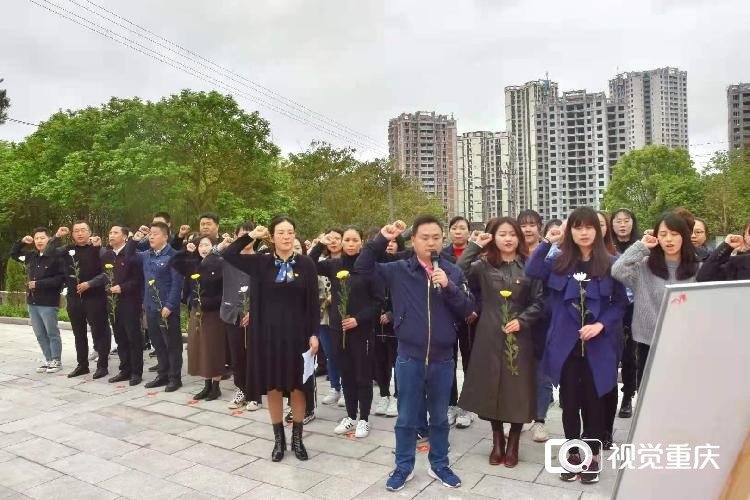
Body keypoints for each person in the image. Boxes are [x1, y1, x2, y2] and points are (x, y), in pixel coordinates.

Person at [355, 217, 474, 491]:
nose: (431, 242)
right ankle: (403, 466)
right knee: (406, 417)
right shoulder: (398, 270)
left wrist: (449, 287)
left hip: (444, 359)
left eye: (435, 237)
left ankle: (440, 464)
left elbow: (468, 308)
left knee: (441, 417)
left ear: (442, 239)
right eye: (424, 237)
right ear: (414, 240)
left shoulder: (452, 271)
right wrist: (381, 239)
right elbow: (362, 268)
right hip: (409, 356)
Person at [526, 207, 627, 484]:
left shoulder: (610, 262)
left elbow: (620, 302)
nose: (583, 232)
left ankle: (592, 458)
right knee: (570, 404)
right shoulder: (559, 261)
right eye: (577, 227)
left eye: (589, 227)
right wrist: (548, 240)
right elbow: (532, 269)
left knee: (594, 404)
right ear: (570, 231)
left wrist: (600, 325)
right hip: (565, 345)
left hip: (599, 345)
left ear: (597, 230)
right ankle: (574, 455)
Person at [222, 216, 319, 462]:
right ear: (272, 237)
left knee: (298, 387)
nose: (286, 237)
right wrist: (251, 236)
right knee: (273, 386)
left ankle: (298, 438)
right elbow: (230, 254)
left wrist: (314, 333)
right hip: (267, 335)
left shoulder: (306, 264)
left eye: (290, 232)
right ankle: (279, 439)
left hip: (298, 335)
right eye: (281, 233)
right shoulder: (261, 262)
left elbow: (313, 303)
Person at [457, 218, 544, 468]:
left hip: (520, 335)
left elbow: (540, 301)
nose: (508, 239)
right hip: (489, 333)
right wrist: (474, 245)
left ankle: (514, 440)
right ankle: (497, 439)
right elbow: (458, 271)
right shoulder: (483, 265)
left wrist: (523, 320)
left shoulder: (530, 266)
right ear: (493, 237)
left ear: (519, 238)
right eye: (502, 234)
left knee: (518, 388)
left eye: (512, 234)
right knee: (491, 386)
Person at [310, 227, 384, 439]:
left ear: (362, 242)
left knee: (362, 376)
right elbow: (310, 265)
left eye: (355, 240)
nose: (350, 244)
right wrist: (321, 243)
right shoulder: (334, 264)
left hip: (361, 331)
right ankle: (350, 416)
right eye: (347, 240)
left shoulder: (370, 268)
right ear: (341, 242)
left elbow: (379, 301)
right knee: (347, 374)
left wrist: (359, 319)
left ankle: (364, 419)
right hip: (337, 329)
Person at [612, 212, 699, 390]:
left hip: (686, 344)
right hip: (649, 343)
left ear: (684, 236)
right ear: (656, 236)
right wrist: (641, 246)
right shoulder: (644, 266)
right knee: (650, 393)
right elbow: (618, 270)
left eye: (675, 234)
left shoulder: (698, 269)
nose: (669, 239)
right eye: (663, 234)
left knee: (683, 391)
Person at [47, 223, 111, 379]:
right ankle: (82, 365)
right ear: (72, 234)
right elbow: (48, 253)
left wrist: (90, 284)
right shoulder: (67, 250)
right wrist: (57, 236)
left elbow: (107, 273)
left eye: (83, 230)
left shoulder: (99, 249)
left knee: (100, 332)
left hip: (95, 297)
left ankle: (102, 366)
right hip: (74, 298)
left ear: (90, 232)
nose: (80, 233)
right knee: (78, 333)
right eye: (76, 231)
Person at [127, 221, 184, 392]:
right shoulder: (146, 255)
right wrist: (134, 240)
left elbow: (177, 284)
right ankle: (163, 374)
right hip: (151, 307)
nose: (151, 236)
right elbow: (130, 257)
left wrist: (170, 305)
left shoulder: (174, 256)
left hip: (167, 308)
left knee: (172, 345)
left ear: (166, 236)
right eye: (150, 234)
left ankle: (175, 378)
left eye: (155, 233)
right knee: (158, 343)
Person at [171, 236, 226, 400]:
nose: (203, 248)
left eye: (207, 245)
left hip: (214, 313)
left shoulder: (220, 263)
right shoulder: (193, 263)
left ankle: (216, 387)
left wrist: (210, 302)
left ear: (214, 247)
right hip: (196, 310)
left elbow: (224, 291)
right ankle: (206, 385)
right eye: (200, 245)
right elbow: (175, 263)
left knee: (213, 349)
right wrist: (184, 250)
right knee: (200, 348)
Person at [9, 228, 66, 374]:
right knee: (40, 334)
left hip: (48, 302)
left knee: (52, 332)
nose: (39, 241)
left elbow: (60, 279)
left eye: (42, 238)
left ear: (49, 239)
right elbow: (13, 254)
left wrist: (39, 284)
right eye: (36, 238)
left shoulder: (56, 256)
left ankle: (56, 360)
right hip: (32, 302)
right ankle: (48, 360)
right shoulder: (31, 256)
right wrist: (21, 242)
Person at [215, 222, 259, 411]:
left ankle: (255, 394)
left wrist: (256, 311)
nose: (246, 238)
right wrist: (220, 247)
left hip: (255, 317)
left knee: (254, 356)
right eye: (242, 235)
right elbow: (205, 264)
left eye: (250, 234)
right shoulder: (227, 259)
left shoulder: (262, 260)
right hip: (231, 314)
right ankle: (241, 389)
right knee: (237, 356)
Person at [443, 216, 476, 429]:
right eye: (454, 228)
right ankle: (450, 404)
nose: (458, 231)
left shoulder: (478, 252)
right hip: (447, 313)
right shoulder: (441, 254)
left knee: (469, 360)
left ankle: (467, 406)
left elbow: (481, 285)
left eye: (462, 228)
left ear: (469, 232)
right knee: (448, 359)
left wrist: (475, 308)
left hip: (469, 315)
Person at [101, 224, 145, 386]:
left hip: (130, 302)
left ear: (126, 237)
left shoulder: (133, 255)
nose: (111, 235)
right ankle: (124, 370)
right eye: (110, 232)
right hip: (112, 303)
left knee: (133, 338)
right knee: (120, 338)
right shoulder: (107, 256)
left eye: (115, 232)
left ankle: (136, 372)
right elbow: (104, 277)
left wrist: (123, 287)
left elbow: (138, 280)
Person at [609, 208, 640, 419]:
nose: (622, 224)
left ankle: (627, 396)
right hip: (611, 306)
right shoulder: (606, 247)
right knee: (611, 354)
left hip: (635, 306)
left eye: (626, 220)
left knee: (630, 355)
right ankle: (607, 395)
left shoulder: (642, 245)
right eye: (618, 221)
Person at [372, 235, 404, 418]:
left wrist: (391, 314)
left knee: (397, 361)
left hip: (396, 324)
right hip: (376, 324)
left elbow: (406, 295)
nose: (390, 245)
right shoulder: (376, 266)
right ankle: (384, 395)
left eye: (393, 242)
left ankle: (398, 397)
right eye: (386, 242)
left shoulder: (403, 265)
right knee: (380, 361)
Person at [317, 227, 344, 407]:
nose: (333, 241)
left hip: (342, 315)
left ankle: (346, 388)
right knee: (330, 354)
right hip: (322, 315)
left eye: (337, 238)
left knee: (343, 353)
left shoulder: (349, 262)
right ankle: (335, 387)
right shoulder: (321, 262)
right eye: (330, 238)